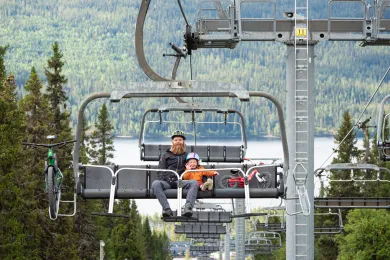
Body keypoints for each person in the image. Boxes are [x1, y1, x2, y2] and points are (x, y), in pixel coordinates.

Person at [151, 130, 199, 217]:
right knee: (155, 184)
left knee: (194, 183)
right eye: (176, 140)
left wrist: (190, 169)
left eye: (180, 140)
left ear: (183, 142)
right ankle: (167, 209)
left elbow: (196, 166)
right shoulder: (165, 156)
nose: (178, 142)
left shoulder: (187, 156)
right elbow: (160, 171)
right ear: (172, 142)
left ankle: (188, 208)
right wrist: (167, 179)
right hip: (167, 182)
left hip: (180, 181)